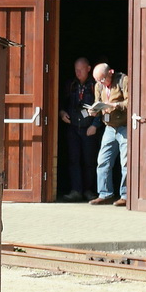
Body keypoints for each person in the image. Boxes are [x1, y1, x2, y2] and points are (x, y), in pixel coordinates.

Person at [58, 57, 101, 202]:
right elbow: (62, 102)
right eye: (76, 69)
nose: (78, 72)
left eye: (81, 69)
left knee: (89, 161)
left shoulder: (95, 85)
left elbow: (102, 106)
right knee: (73, 160)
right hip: (73, 128)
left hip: (89, 129)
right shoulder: (71, 84)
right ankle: (76, 190)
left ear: (88, 69)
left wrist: (95, 125)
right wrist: (62, 112)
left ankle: (89, 191)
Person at [89, 62, 129, 207]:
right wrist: (93, 111)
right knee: (103, 161)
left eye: (103, 79)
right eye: (97, 80)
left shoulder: (123, 80)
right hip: (109, 128)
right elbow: (97, 102)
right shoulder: (99, 85)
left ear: (111, 72)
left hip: (124, 127)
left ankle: (125, 196)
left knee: (125, 162)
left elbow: (131, 101)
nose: (101, 82)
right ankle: (105, 194)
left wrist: (115, 105)